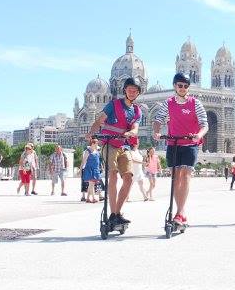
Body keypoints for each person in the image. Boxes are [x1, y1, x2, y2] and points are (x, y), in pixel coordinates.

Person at [152, 72, 208, 227]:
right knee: (176, 178)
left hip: (190, 144)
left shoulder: (195, 103)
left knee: (185, 176)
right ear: (174, 86)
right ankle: (179, 212)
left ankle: (180, 212)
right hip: (173, 143)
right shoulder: (168, 103)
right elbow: (158, 119)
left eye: (185, 86)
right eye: (180, 86)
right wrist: (156, 132)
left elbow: (204, 124)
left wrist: (198, 135)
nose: (182, 88)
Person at [89, 77, 142, 226]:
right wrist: (91, 133)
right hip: (109, 143)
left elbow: (135, 128)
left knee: (128, 178)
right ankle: (113, 213)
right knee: (112, 175)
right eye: (130, 89)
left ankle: (116, 213)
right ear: (124, 90)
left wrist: (131, 133)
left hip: (123, 146)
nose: (132, 92)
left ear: (138, 93)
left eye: (135, 90)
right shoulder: (113, 105)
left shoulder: (137, 110)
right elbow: (99, 121)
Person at [81, 139, 101, 203]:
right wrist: (80, 169)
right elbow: (84, 161)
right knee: (92, 184)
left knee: (91, 184)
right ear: (93, 143)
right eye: (96, 143)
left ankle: (87, 198)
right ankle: (93, 198)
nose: (97, 144)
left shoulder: (97, 151)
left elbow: (98, 161)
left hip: (96, 169)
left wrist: (101, 167)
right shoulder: (88, 151)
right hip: (89, 169)